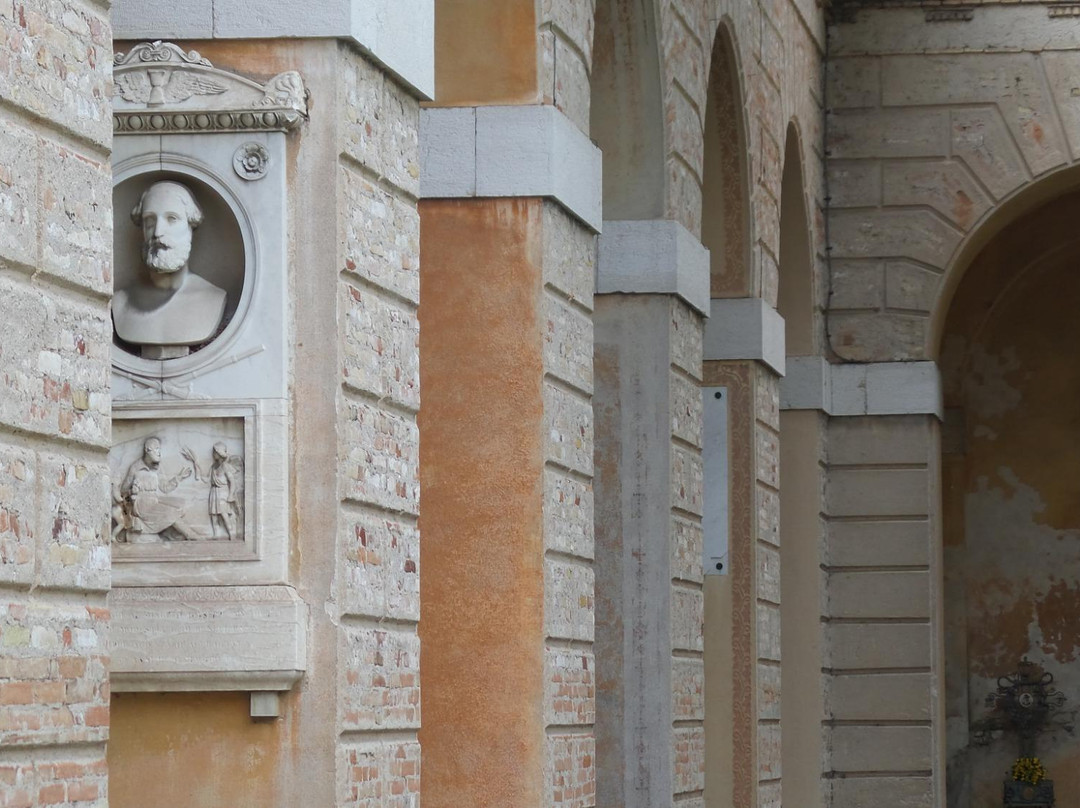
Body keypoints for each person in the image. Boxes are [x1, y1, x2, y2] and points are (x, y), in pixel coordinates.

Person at [112, 180, 227, 358]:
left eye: (171, 219)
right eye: (149, 221)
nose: (157, 232)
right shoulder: (120, 303)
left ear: (190, 226)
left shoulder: (213, 298)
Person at [116, 437, 198, 542]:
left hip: (154, 500)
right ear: (147, 450)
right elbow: (124, 489)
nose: (159, 453)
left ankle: (172, 533)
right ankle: (190, 534)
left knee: (180, 504)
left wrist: (179, 477)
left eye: (159, 449)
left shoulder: (158, 467)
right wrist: (133, 490)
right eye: (156, 449)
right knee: (170, 512)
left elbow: (165, 488)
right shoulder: (136, 467)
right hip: (141, 504)